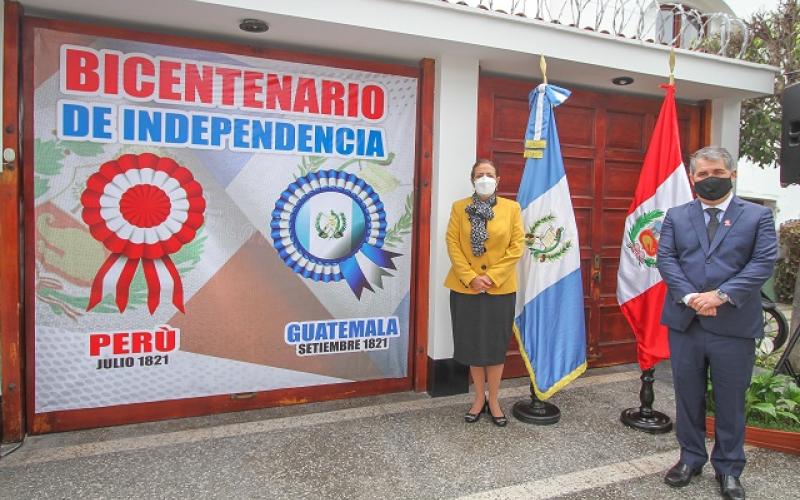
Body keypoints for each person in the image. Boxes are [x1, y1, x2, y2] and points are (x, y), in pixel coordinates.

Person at [657, 146, 777, 500]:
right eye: (703, 174)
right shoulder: (676, 216)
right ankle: (690, 459)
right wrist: (694, 298)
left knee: (730, 401)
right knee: (687, 397)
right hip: (687, 322)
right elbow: (667, 260)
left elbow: (763, 263)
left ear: (732, 175)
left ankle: (728, 469)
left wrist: (720, 296)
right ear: (693, 178)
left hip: (734, 326)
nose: (710, 180)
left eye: (717, 174)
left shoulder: (758, 216)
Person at [445, 159, 524, 427]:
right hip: (465, 288)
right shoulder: (459, 208)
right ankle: (479, 398)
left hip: (499, 289)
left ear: (498, 179)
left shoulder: (512, 208)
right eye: (480, 175)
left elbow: (517, 246)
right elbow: (452, 243)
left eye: (489, 174)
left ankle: (494, 399)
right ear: (472, 180)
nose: (485, 178)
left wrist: (491, 276)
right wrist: (470, 277)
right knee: (472, 346)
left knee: (494, 347)